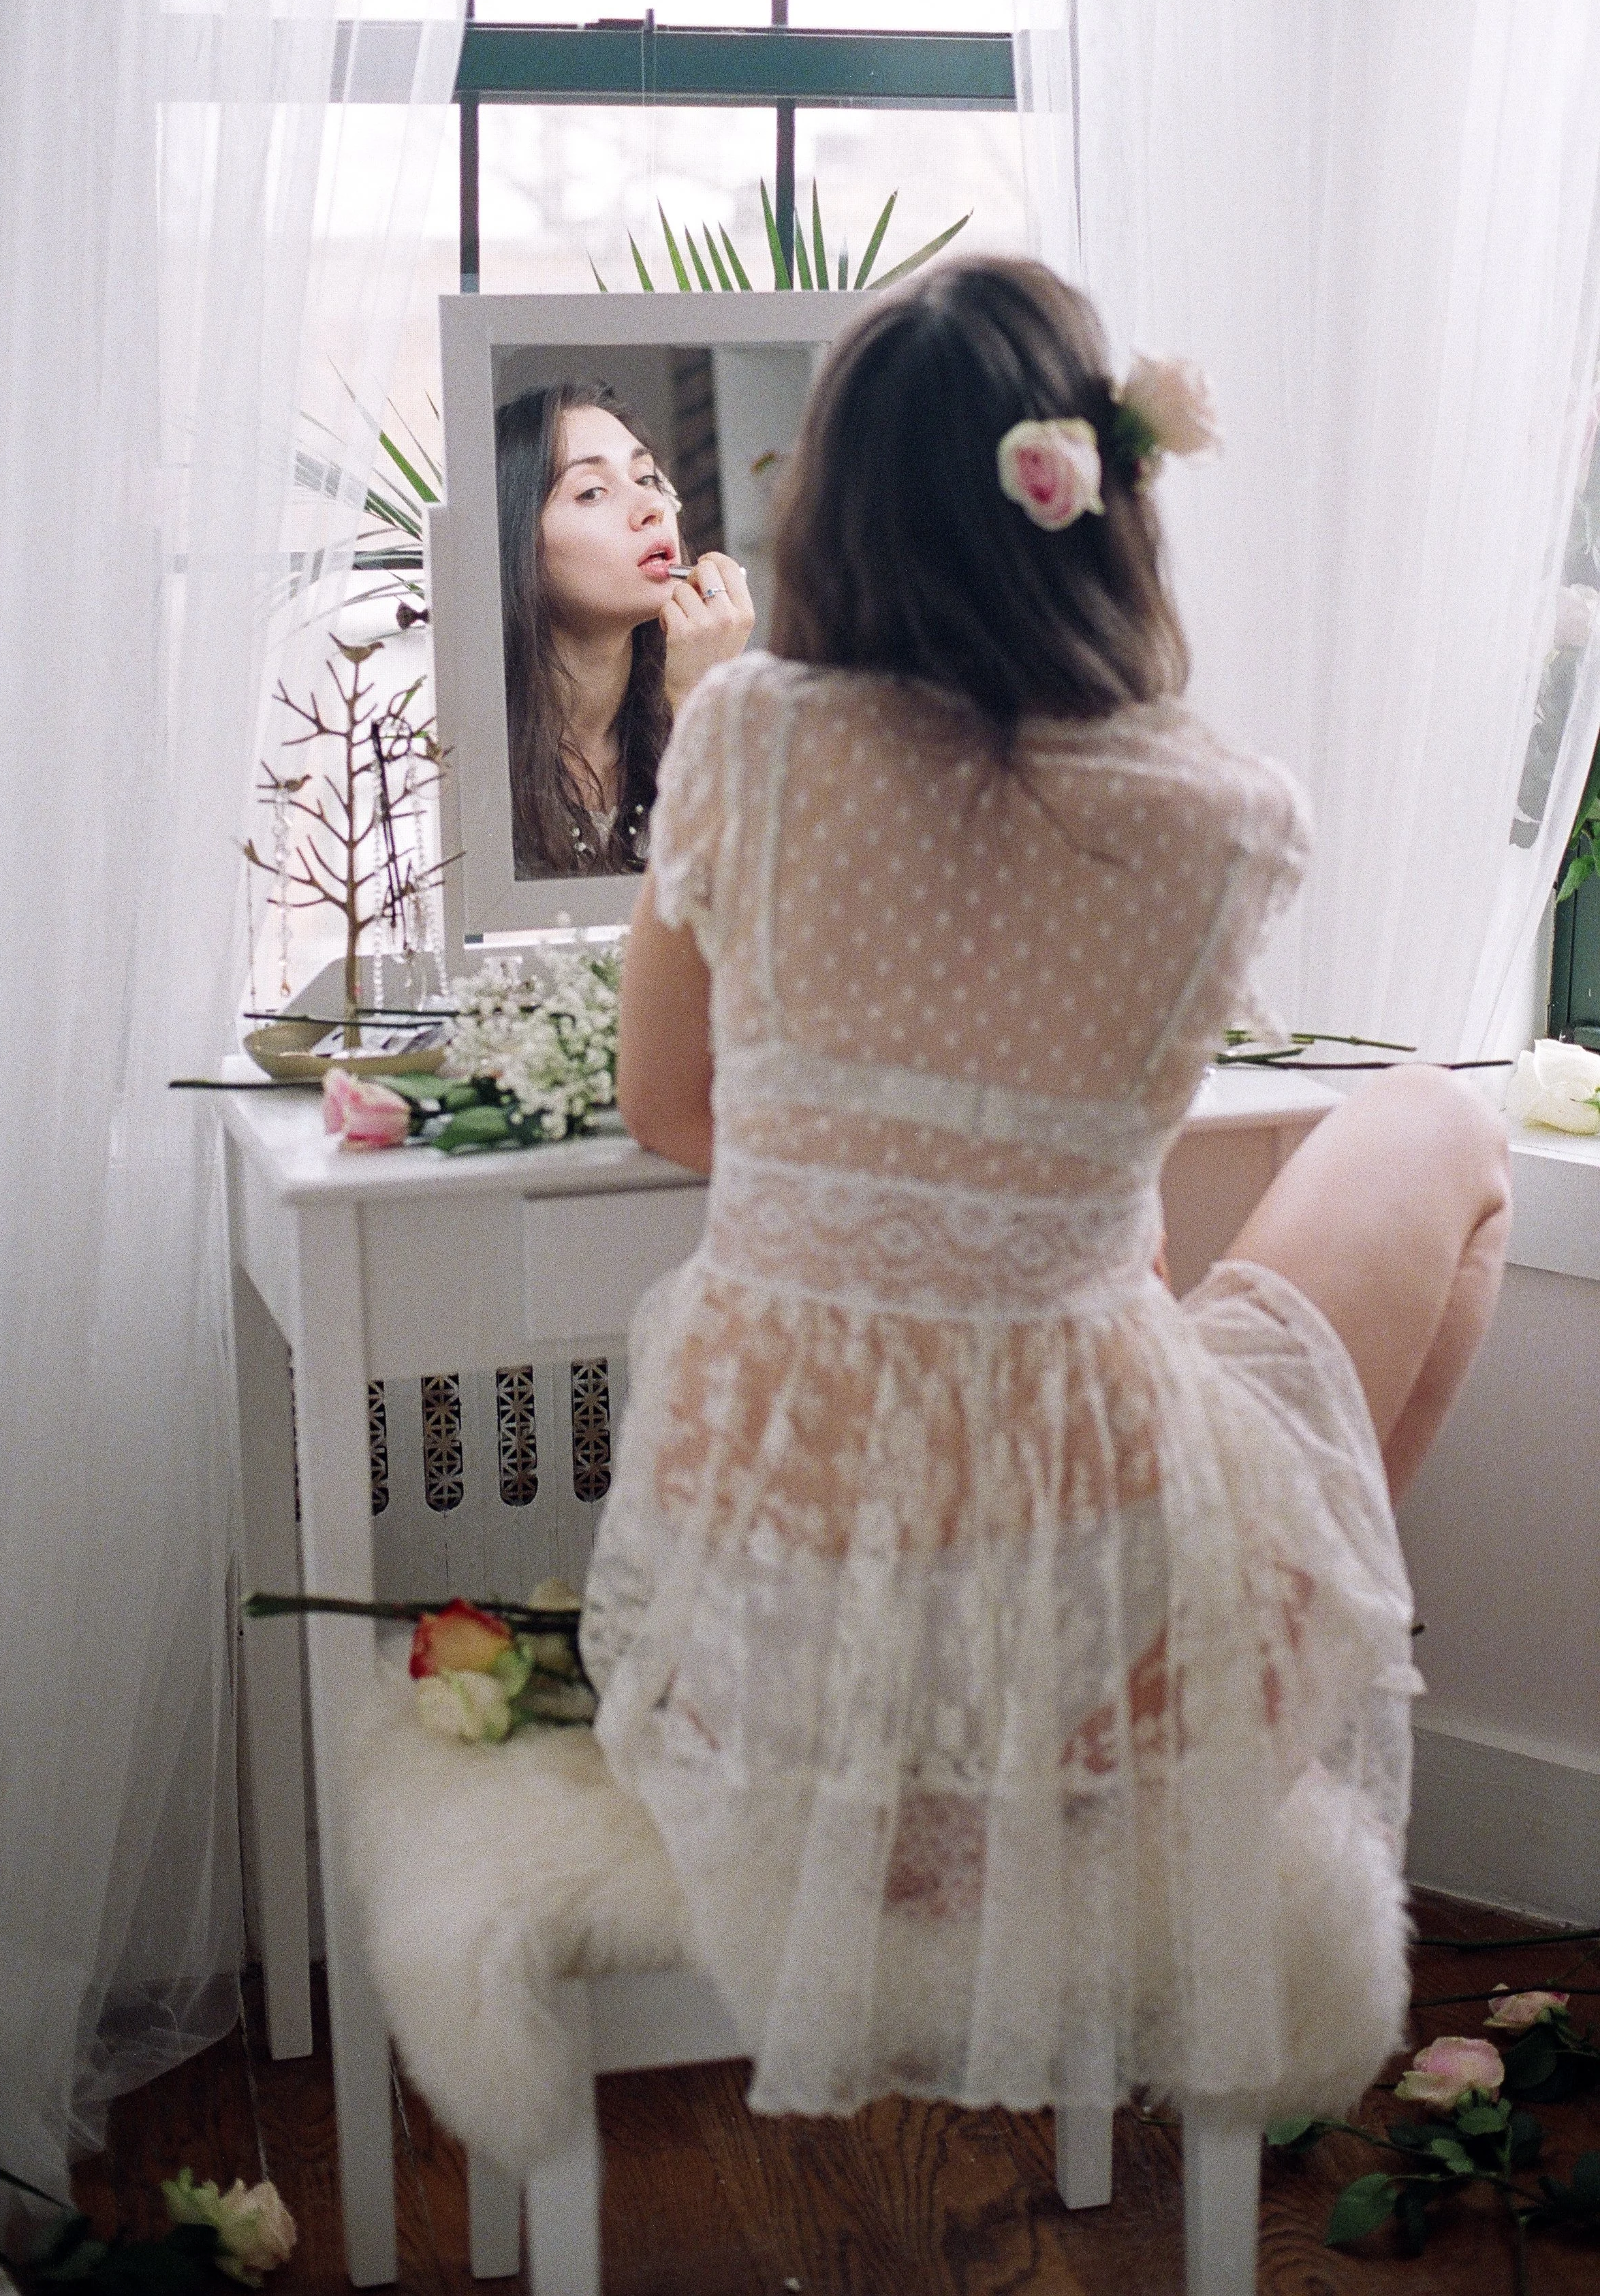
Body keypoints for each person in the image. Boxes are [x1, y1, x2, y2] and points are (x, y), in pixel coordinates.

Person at [580, 259, 1511, 2126]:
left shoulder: (747, 734)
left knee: (1130, 1299)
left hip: (776, 1642)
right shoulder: (1225, 811)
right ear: (1097, 497)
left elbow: (670, 1099)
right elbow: (1117, 1172)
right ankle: (1265, 1672)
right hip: (1100, 1614)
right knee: (1446, 1130)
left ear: (828, 506)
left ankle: (1111, 1705)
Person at [495, 381, 753, 874]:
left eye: (648, 479)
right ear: (517, 542)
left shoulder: (704, 702)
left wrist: (704, 700)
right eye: (591, 491)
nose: (652, 508)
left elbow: (749, 918)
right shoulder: (475, 759)